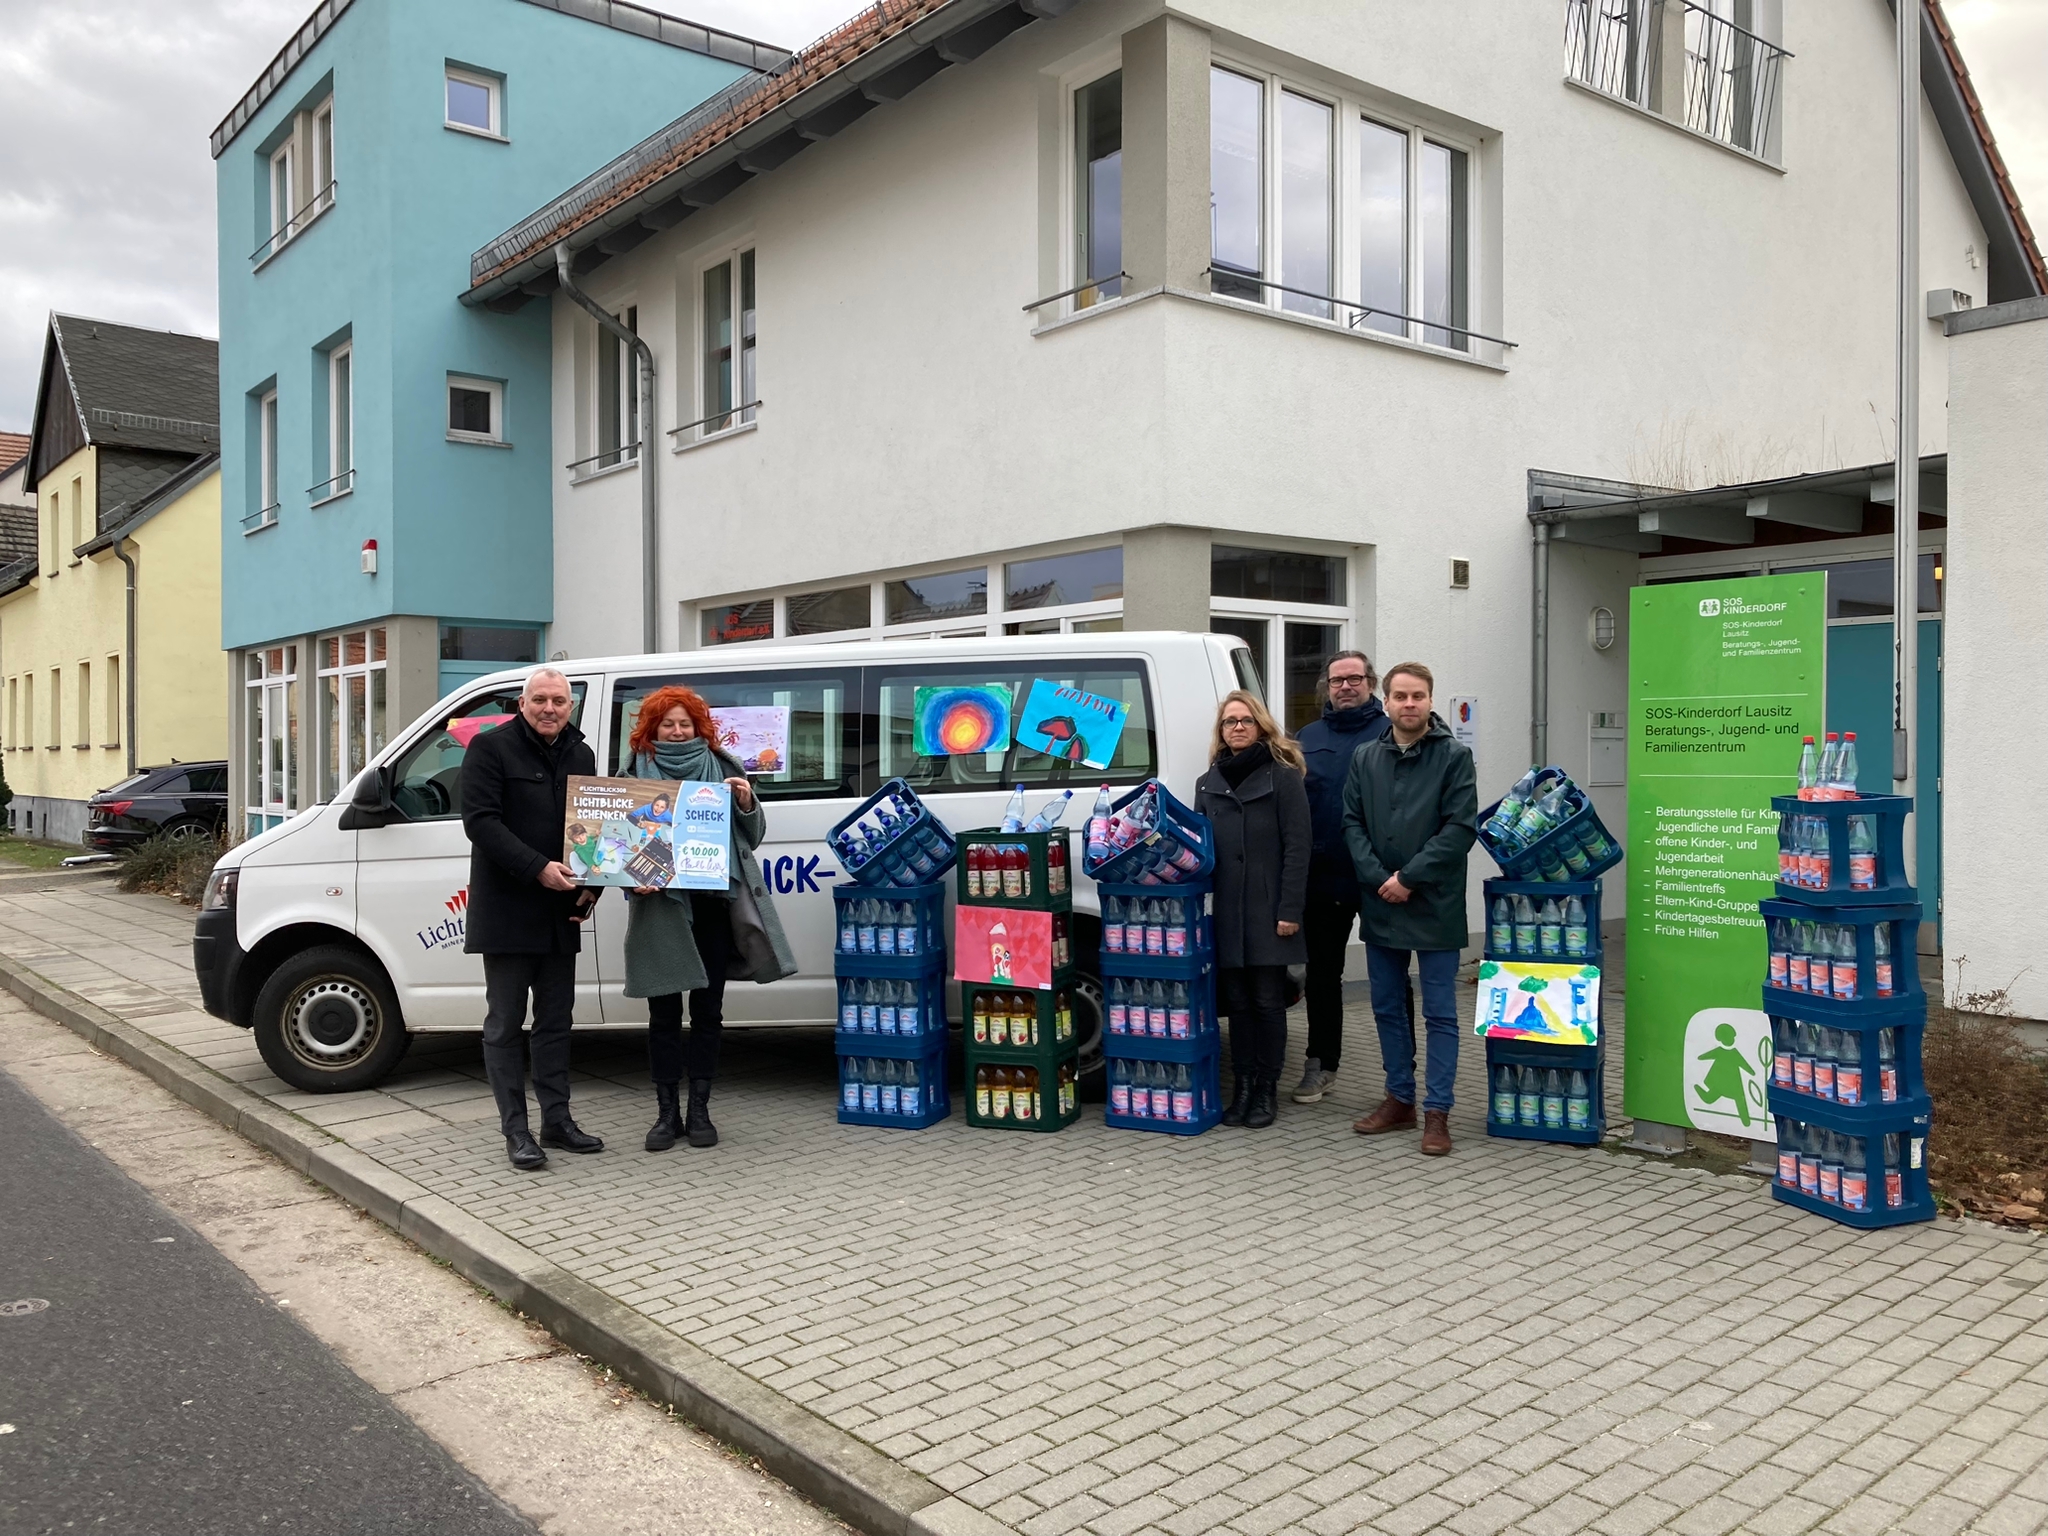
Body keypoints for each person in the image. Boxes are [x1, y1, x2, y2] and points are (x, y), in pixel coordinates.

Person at [621, 685, 797, 1152]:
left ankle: (699, 1110)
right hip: (659, 909)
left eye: (686, 723)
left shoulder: (723, 767)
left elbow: (752, 836)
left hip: (714, 908)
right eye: (667, 724)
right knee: (661, 1016)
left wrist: (745, 804)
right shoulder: (633, 773)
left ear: (700, 728)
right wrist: (628, 878)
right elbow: (614, 847)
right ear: (652, 728)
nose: (677, 732)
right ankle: (665, 1115)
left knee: (707, 1013)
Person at [461, 667, 603, 1172]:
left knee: (556, 1022)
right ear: (523, 703)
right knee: (504, 1024)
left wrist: (593, 885)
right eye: (540, 699)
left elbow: (592, 828)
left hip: (559, 912)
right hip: (507, 910)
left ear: (570, 707)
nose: (550, 708)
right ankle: (516, 1131)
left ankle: (557, 1121)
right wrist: (536, 868)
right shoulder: (490, 748)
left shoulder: (581, 753)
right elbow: (480, 822)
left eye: (559, 701)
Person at [1341, 662, 1478, 1156]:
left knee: (1440, 1013)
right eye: (1400, 696)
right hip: (1381, 904)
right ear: (1387, 700)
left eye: (1417, 696)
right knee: (1387, 1008)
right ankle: (1399, 1100)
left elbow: (1460, 829)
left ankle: (1437, 1113)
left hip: (1434, 903)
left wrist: (1409, 879)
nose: (1409, 704)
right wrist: (1382, 880)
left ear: (1430, 700)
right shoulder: (1364, 757)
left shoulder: (1454, 757)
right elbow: (1351, 824)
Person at [1195, 690, 1310, 1130]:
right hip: (1226, 910)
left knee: (1267, 1001)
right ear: (1221, 732)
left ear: (1261, 726)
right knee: (1237, 1003)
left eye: (1245, 720)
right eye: (1229, 722)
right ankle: (1241, 1087)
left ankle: (1266, 1089)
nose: (1237, 727)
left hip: (1269, 909)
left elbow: (1298, 848)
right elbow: (1199, 851)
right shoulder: (1208, 782)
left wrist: (1290, 909)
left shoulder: (1284, 777)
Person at [1290, 651, 1390, 1104]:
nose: (1345, 687)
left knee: (1388, 975)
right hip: (1322, 878)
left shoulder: (1392, 733)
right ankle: (1320, 1064)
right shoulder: (1307, 738)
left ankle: (1399, 1078)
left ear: (1371, 683)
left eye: (1354, 678)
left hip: (1379, 878)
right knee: (1323, 975)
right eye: (1336, 681)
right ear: (1326, 688)